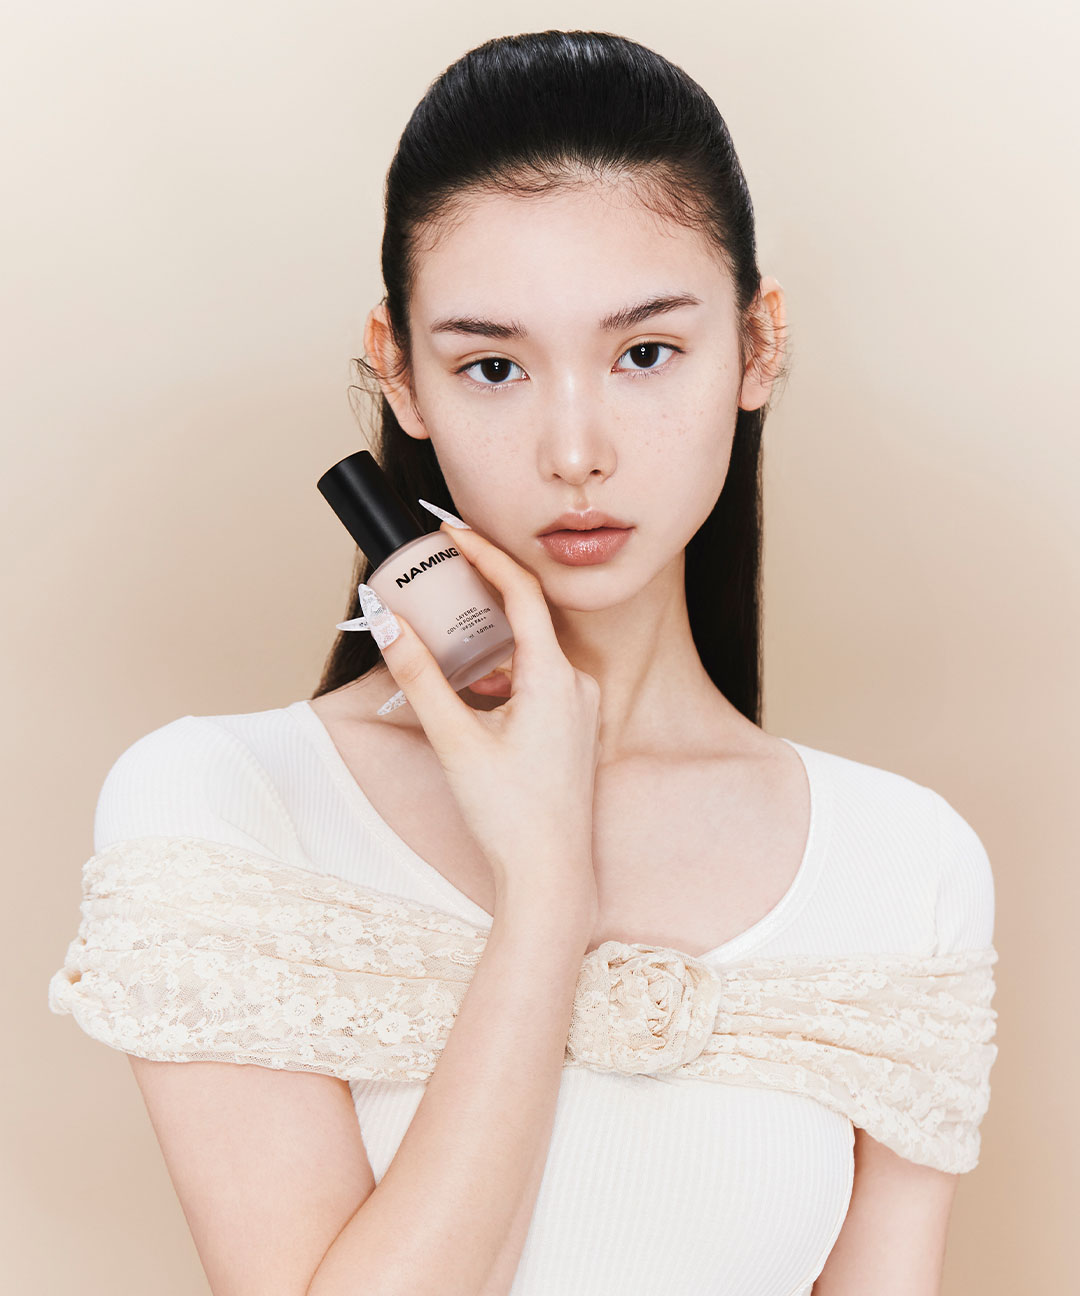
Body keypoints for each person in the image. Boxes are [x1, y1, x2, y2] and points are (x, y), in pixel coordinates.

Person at [49, 30, 997, 1296]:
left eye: (644, 353)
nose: (574, 449)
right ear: (401, 375)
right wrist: (544, 889)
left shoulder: (904, 862)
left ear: (758, 346)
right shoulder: (227, 803)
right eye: (493, 366)